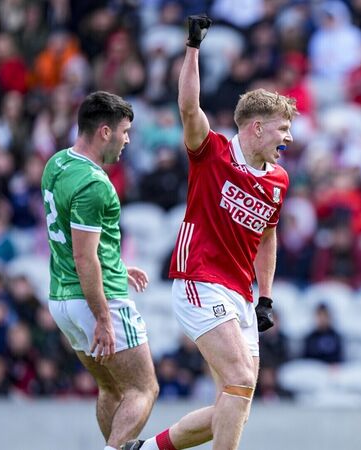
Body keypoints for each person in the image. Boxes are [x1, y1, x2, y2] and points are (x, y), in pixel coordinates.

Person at [123, 15, 297, 450]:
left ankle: (145, 449)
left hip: (239, 293)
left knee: (234, 401)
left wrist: (265, 297)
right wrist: (193, 47)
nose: (289, 138)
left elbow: (267, 236)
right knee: (239, 380)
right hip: (199, 280)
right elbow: (188, 107)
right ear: (257, 127)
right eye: (283, 128)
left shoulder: (279, 180)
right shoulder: (212, 151)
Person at [40, 91, 158, 450]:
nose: (127, 140)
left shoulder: (57, 163)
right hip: (96, 299)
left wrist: (117, 264)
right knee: (143, 388)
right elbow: (84, 257)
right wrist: (104, 317)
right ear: (105, 131)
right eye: (125, 132)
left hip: (61, 300)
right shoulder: (95, 184)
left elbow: (75, 240)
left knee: (112, 388)